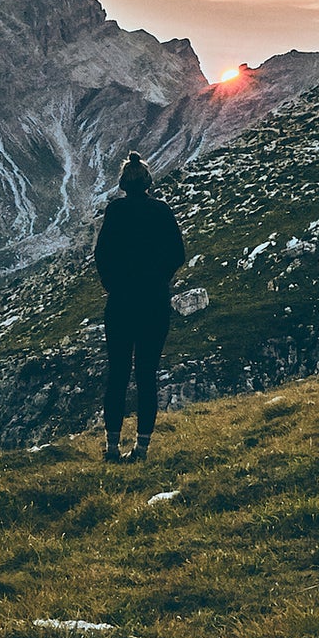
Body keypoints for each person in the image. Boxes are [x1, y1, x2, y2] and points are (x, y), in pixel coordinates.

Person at [94, 151, 186, 462]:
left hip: (120, 304)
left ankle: (111, 448)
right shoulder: (161, 211)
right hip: (154, 304)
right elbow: (178, 253)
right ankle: (142, 448)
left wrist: (114, 286)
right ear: (148, 182)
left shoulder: (115, 212)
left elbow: (102, 255)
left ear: (122, 183)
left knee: (117, 373)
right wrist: (160, 279)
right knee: (147, 374)